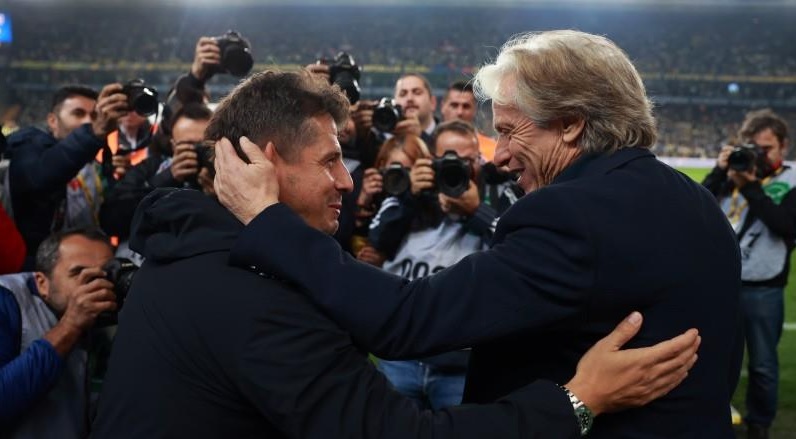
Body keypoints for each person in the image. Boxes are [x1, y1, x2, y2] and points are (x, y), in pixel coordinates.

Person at [92, 70, 699, 439]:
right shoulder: (253, 294)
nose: (347, 181)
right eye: (330, 162)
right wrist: (577, 403)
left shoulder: (184, 252)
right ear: (265, 162)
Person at [213, 31, 742, 437]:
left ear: (572, 123)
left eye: (511, 131)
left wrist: (269, 221)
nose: (502, 155)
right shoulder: (695, 202)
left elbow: (408, 321)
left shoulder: (575, 213)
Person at [368, 121, 523, 410]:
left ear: (479, 159)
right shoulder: (415, 191)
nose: (458, 167)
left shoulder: (501, 192)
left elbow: (518, 251)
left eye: (467, 160)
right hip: (402, 356)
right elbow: (377, 240)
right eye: (447, 159)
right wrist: (407, 196)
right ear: (431, 161)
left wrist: (477, 212)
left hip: (461, 361)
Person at [702, 109, 794, 439]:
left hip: (763, 288)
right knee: (712, 356)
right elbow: (699, 205)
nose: (758, 156)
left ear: (784, 146)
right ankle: (713, 413)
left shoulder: (791, 180)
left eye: (766, 149)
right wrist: (719, 170)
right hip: (723, 283)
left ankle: (760, 425)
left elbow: (785, 224)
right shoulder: (732, 177)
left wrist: (752, 187)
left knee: (763, 364)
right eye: (752, 148)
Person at [0, 227, 116, 438]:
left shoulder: (114, 314)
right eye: (79, 273)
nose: (97, 285)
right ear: (42, 283)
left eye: (105, 274)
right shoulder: (7, 301)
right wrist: (70, 325)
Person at [6, 85, 128, 269]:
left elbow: (111, 221)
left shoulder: (94, 166)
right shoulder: (27, 149)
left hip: (89, 264)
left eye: (94, 116)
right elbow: (42, 177)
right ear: (53, 121)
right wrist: (93, 133)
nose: (87, 121)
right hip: (36, 274)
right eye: (78, 113)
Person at [440, 81, 498, 162]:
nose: (460, 112)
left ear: (475, 110)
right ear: (443, 107)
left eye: (466, 106)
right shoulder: (427, 146)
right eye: (454, 105)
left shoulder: (493, 149)